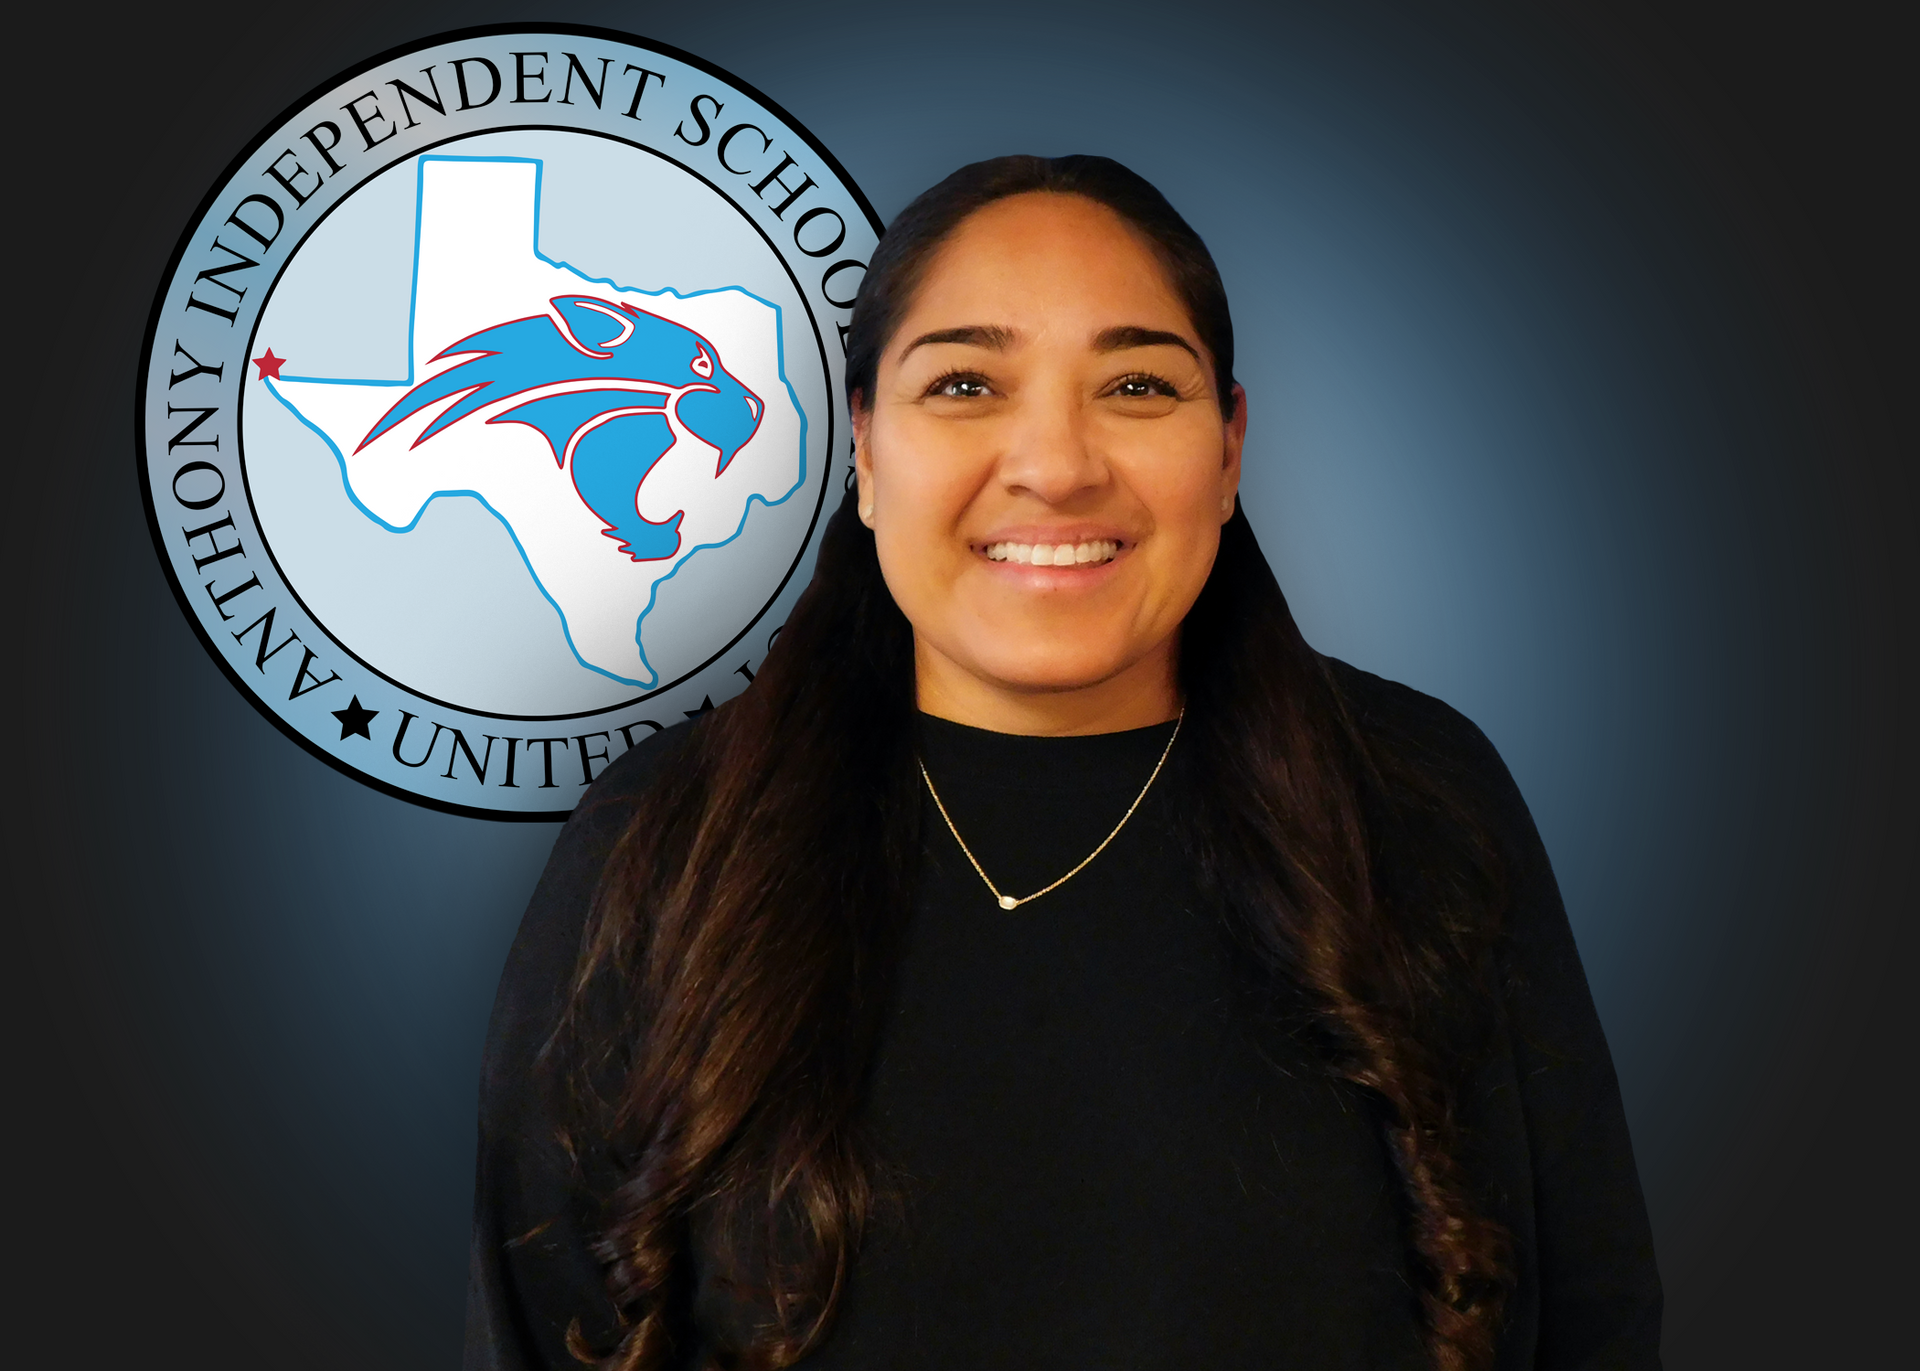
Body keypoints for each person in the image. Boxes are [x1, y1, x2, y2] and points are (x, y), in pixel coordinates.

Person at [466, 155, 1661, 1371]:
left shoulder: (1417, 801)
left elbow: (1588, 1319)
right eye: (967, 383)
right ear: (867, 452)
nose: (1056, 463)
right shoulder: (669, 835)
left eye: (1138, 384)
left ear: (1231, 447)